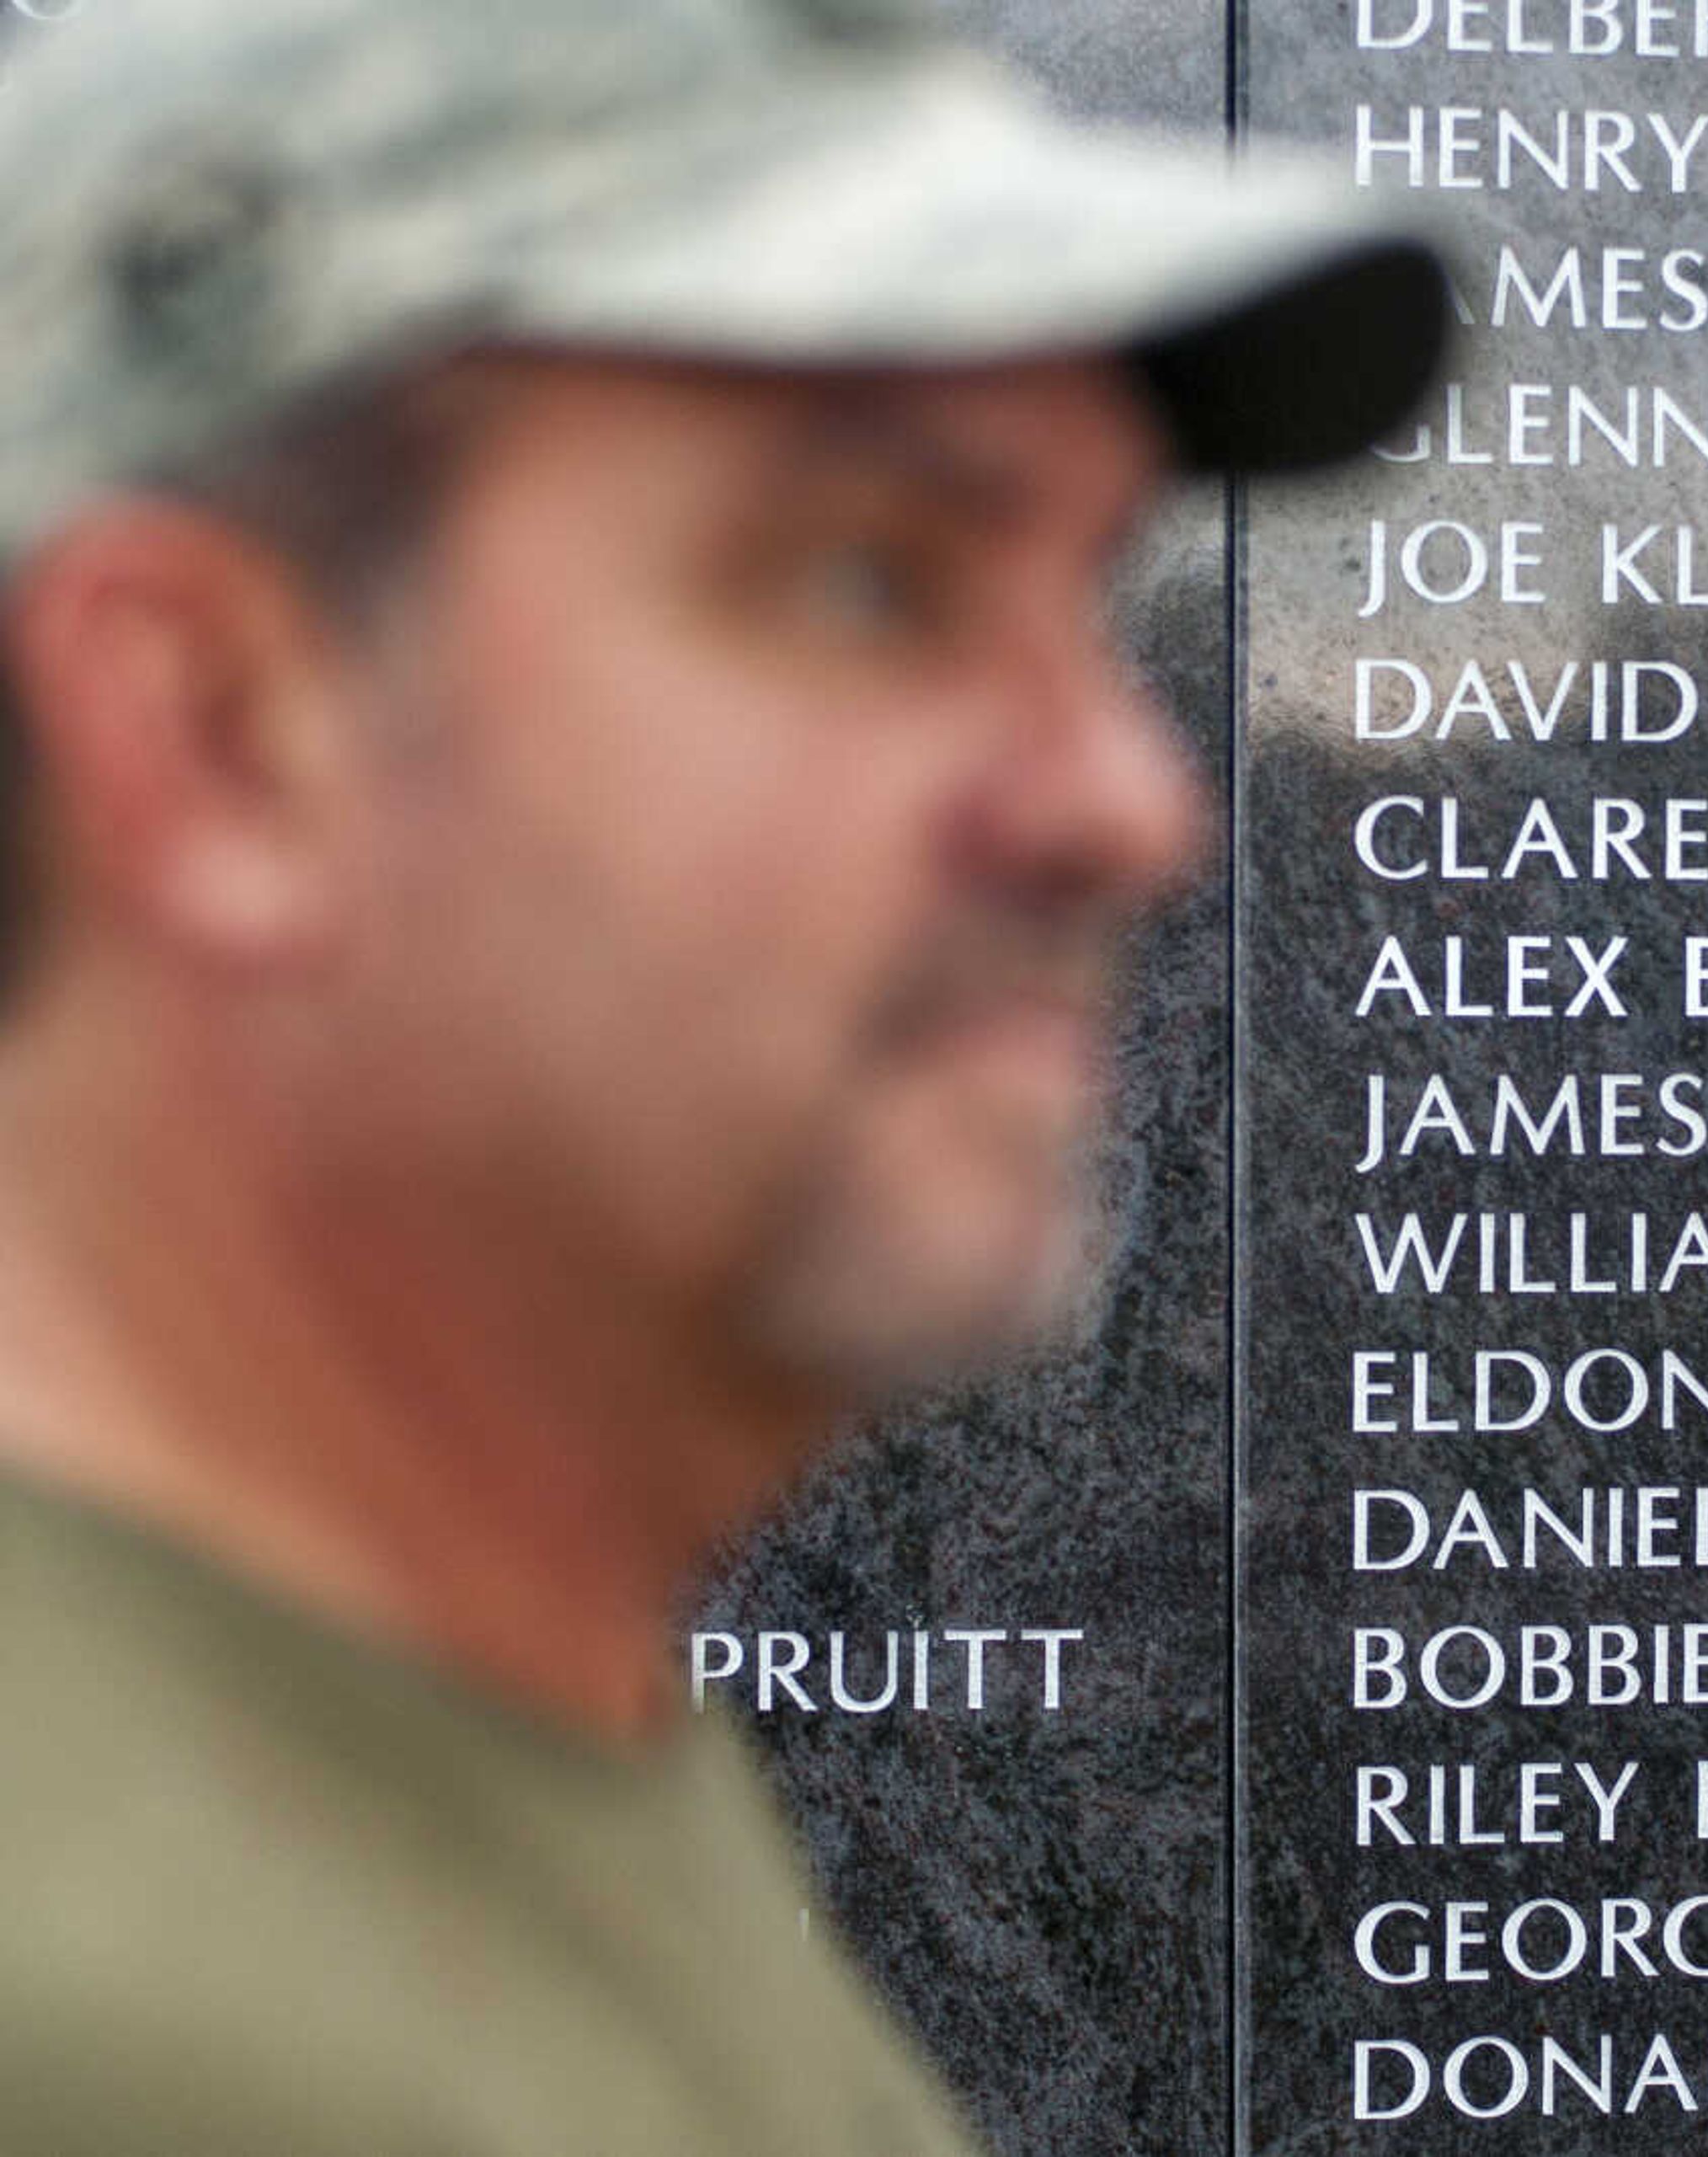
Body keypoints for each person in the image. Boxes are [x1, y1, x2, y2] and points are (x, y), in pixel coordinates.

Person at [0, 0, 1444, 2146]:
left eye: (1089, 595)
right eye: (873, 577)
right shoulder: (113, 2032)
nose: (1133, 802)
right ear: (214, 729)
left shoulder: (485, 1723)